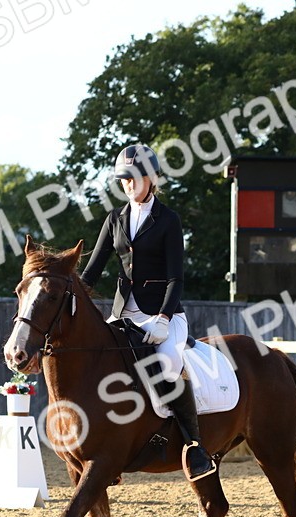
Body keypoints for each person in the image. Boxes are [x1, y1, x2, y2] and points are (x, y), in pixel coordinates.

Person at [80, 144, 217, 482]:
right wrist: (70, 294)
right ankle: (107, 446)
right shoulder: (115, 219)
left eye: (133, 178)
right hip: (124, 314)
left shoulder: (169, 220)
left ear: (151, 178)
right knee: (102, 364)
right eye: (122, 179)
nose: (127, 184)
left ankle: (195, 445)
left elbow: (176, 278)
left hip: (162, 315)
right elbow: (92, 271)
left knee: (168, 363)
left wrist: (164, 319)